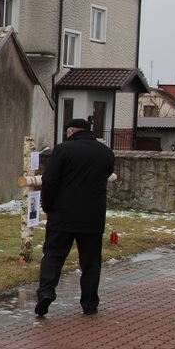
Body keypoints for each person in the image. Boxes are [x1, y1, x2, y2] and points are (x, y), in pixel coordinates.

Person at [36, 118, 115, 317]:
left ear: (70, 132)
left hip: (62, 215)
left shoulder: (63, 150)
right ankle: (89, 303)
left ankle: (46, 292)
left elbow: (50, 181)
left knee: (53, 256)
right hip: (92, 217)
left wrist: (48, 206)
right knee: (90, 262)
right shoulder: (106, 153)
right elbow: (106, 175)